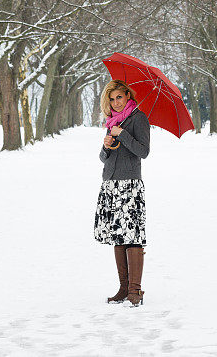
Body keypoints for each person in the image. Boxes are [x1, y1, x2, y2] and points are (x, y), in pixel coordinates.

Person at [94, 79, 150, 307]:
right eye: (112, 99)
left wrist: (123, 134)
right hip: (111, 184)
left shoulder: (139, 118)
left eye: (119, 97)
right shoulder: (112, 122)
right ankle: (123, 289)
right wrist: (106, 145)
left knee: (133, 235)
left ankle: (135, 291)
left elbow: (143, 151)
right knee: (118, 235)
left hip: (130, 185)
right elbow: (102, 158)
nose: (116, 102)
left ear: (128, 95)